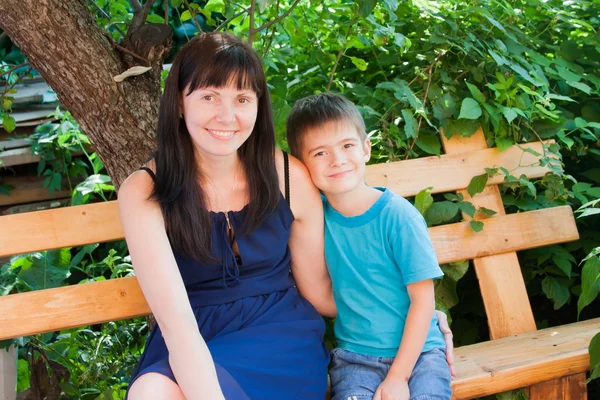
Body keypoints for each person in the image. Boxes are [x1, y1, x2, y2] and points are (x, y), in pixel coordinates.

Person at [118, 32, 335, 399]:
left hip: (280, 336)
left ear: (258, 105)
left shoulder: (286, 175)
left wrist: (409, 316)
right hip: (193, 333)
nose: (227, 116)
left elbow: (320, 291)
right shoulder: (144, 191)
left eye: (242, 99)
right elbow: (177, 327)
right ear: (179, 103)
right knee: (151, 393)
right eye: (209, 96)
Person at [286, 93, 454, 400]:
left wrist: (397, 377)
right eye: (320, 153)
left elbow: (423, 301)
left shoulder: (398, 217)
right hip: (356, 358)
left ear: (366, 149)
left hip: (420, 355)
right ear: (301, 165)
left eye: (347, 146)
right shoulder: (316, 219)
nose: (337, 160)